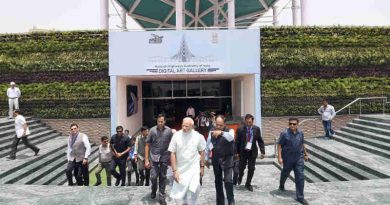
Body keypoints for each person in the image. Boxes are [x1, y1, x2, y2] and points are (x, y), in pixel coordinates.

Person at [168, 117, 206, 205]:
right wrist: (174, 170)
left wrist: (202, 167)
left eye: (187, 126)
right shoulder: (176, 136)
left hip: (194, 167)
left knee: (195, 187)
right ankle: (184, 203)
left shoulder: (198, 136)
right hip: (180, 168)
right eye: (183, 125)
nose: (184, 128)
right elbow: (172, 153)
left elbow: (202, 151)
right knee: (181, 189)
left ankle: (193, 203)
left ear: (192, 126)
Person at [278, 117, 309, 205]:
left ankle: (300, 197)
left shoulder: (301, 133)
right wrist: (279, 157)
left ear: (297, 125)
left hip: (299, 158)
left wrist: (306, 154)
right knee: (285, 173)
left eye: (294, 124)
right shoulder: (284, 133)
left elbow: (302, 144)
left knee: (300, 177)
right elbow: (279, 145)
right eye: (290, 124)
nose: (292, 125)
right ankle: (281, 184)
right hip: (287, 158)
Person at [205, 115, 235, 205]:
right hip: (216, 159)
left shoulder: (230, 131)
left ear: (224, 124)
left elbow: (231, 137)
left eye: (220, 125)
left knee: (228, 180)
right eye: (216, 124)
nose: (217, 127)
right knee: (218, 182)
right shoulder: (211, 131)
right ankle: (220, 202)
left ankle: (231, 200)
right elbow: (208, 145)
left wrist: (221, 133)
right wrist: (206, 158)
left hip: (228, 159)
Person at [145, 114, 174, 205]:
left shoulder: (169, 131)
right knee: (153, 176)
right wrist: (146, 160)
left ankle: (162, 196)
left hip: (164, 157)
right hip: (154, 157)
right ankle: (154, 190)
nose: (160, 123)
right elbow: (147, 145)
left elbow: (173, 144)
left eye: (162, 121)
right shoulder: (152, 130)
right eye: (158, 121)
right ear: (156, 121)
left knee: (163, 177)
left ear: (165, 121)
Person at [235, 114, 265, 191]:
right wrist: (236, 153)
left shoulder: (257, 129)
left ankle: (248, 184)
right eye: (247, 122)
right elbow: (237, 142)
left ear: (252, 121)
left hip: (252, 152)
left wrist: (262, 152)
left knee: (251, 168)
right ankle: (240, 176)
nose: (248, 124)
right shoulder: (240, 129)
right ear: (245, 121)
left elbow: (260, 140)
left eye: (250, 122)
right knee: (241, 168)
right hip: (243, 152)